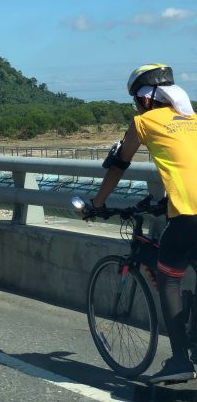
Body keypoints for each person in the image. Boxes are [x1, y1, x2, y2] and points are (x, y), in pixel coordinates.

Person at [86, 64, 197, 384]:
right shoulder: (193, 119)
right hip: (187, 211)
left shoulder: (144, 122)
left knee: (170, 279)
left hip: (190, 217)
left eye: (136, 100)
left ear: (146, 100)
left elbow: (119, 164)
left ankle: (179, 360)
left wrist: (97, 204)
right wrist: (166, 201)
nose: (136, 107)